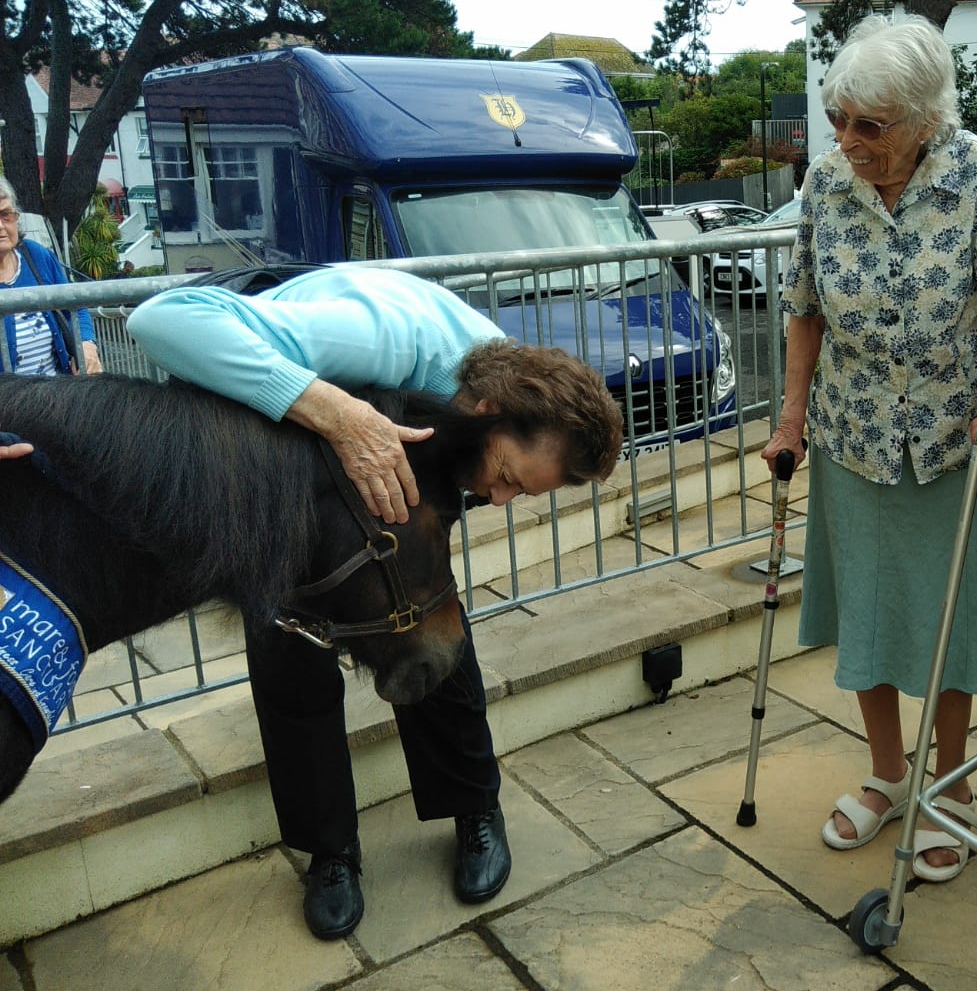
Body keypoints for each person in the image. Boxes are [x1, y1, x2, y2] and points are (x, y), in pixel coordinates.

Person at [125, 264, 623, 939]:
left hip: (404, 445)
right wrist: (342, 416)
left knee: (429, 621)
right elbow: (159, 319)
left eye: (521, 493)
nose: (500, 500)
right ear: (486, 414)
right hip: (278, 455)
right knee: (289, 646)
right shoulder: (388, 338)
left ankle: (474, 805)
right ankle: (329, 851)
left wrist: (462, 471)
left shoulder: (510, 386)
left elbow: (474, 484)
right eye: (506, 477)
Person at [761, 15, 977, 883]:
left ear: (925, 119)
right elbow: (804, 308)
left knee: (947, 620)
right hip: (853, 435)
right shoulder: (826, 183)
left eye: (869, 126)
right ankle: (888, 773)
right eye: (837, 118)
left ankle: (951, 784)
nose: (847, 140)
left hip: (952, 438)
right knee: (868, 613)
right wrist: (789, 421)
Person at [0, 176, 101, 376]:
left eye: (6, 215)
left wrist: (86, 344)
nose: (1, 226)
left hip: (54, 392)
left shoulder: (36, 256)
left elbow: (75, 306)